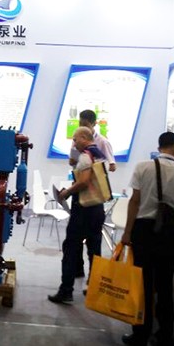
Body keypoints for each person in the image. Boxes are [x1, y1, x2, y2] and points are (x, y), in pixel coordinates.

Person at [120, 131, 174, 346]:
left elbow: (135, 201)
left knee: (143, 283)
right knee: (164, 283)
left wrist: (127, 232)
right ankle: (165, 336)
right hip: (169, 232)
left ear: (159, 146)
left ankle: (140, 334)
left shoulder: (143, 167)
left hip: (144, 229)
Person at [47, 127, 107, 305]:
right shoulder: (98, 154)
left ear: (84, 137)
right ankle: (94, 288)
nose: (73, 143)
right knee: (94, 249)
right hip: (97, 207)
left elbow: (84, 182)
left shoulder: (86, 156)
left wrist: (67, 192)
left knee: (71, 248)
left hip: (83, 209)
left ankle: (66, 290)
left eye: (75, 139)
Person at [68, 109, 117, 278]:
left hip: (93, 196)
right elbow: (71, 162)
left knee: (93, 239)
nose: (83, 127)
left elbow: (112, 165)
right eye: (80, 124)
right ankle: (78, 269)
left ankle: (94, 277)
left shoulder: (102, 142)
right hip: (79, 195)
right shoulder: (76, 143)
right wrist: (77, 154)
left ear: (93, 124)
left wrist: (92, 162)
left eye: (86, 124)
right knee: (75, 237)